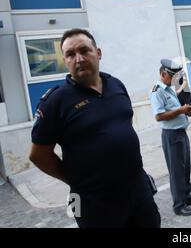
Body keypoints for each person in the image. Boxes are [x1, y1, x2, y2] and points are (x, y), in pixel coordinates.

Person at [30, 28, 161, 228]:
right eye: (71, 54)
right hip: (94, 202)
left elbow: (123, 125)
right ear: (65, 61)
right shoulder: (55, 102)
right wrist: (74, 179)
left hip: (137, 189)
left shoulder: (116, 85)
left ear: (98, 53)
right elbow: (38, 155)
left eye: (84, 51)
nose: (79, 58)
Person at [150, 59, 191, 216]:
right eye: (173, 76)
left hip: (181, 133)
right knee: (176, 170)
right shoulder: (157, 91)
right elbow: (159, 116)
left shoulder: (169, 89)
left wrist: (187, 111)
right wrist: (181, 110)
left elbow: (175, 109)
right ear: (163, 74)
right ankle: (179, 205)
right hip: (171, 135)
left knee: (185, 167)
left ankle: (186, 195)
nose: (176, 80)